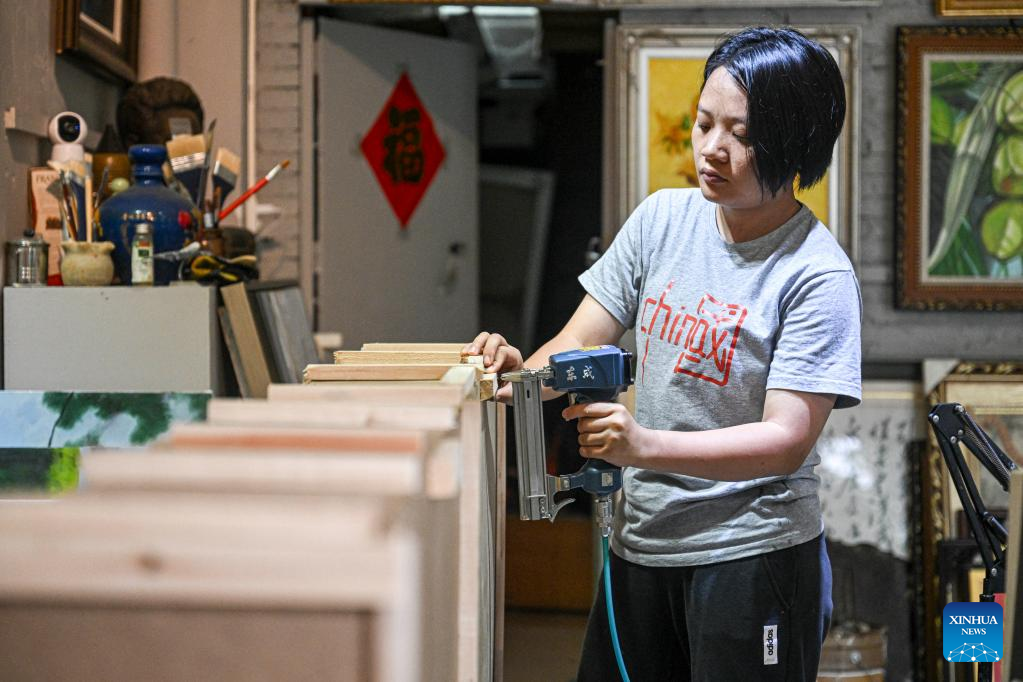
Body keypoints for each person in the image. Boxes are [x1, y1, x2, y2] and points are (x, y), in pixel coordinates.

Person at [463, 26, 861, 681]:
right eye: (704, 123)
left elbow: (785, 441)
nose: (711, 148)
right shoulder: (661, 220)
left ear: (795, 144)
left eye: (740, 134)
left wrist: (642, 446)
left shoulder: (816, 275)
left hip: (751, 552)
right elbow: (578, 341)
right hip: (642, 541)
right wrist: (520, 376)